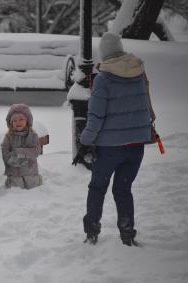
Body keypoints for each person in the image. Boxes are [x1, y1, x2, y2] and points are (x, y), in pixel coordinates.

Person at [74, 32, 152, 246]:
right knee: (123, 189)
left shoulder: (103, 78)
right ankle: (127, 234)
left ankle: (92, 232)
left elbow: (96, 116)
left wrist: (85, 142)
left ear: (104, 53)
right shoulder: (138, 72)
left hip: (110, 148)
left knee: (98, 188)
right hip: (136, 147)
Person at [1, 104, 43, 189]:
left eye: (21, 119)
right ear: (11, 123)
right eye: (14, 120)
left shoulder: (32, 135)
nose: (18, 122)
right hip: (14, 173)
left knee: (32, 187)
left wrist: (21, 152)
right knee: (15, 188)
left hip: (29, 171)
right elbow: (4, 150)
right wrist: (10, 159)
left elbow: (36, 150)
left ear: (27, 121)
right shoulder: (9, 136)